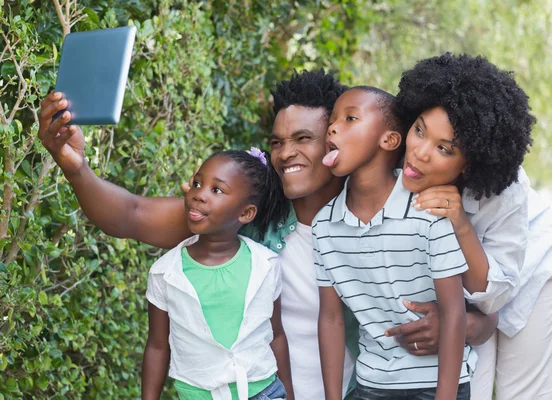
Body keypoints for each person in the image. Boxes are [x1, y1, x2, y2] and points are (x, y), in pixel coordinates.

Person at [37, 69, 497, 399]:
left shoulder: (415, 210)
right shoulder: (247, 221)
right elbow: (135, 215)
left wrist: (455, 325)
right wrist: (77, 169)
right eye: (277, 142)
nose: (285, 154)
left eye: (304, 139)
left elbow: (484, 314)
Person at [389, 53, 552, 400]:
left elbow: (493, 297)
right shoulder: (396, 158)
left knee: (521, 395)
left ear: (471, 162)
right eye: (419, 131)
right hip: (461, 293)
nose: (420, 154)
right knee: (475, 385)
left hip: (531, 269)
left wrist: (460, 222)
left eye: (444, 148)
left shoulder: (506, 189)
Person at [315, 86, 473, 400]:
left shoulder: (429, 213)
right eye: (332, 120)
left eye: (350, 119)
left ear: (389, 140)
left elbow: (454, 314)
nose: (332, 127)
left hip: (434, 387)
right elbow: (331, 317)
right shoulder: (324, 226)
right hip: (370, 384)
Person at [143, 149, 294, 400]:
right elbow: (157, 347)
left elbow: (276, 333)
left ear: (245, 213)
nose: (198, 195)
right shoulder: (165, 273)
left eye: (217, 190)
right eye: (197, 184)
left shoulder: (265, 264)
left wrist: (289, 394)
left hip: (264, 392)